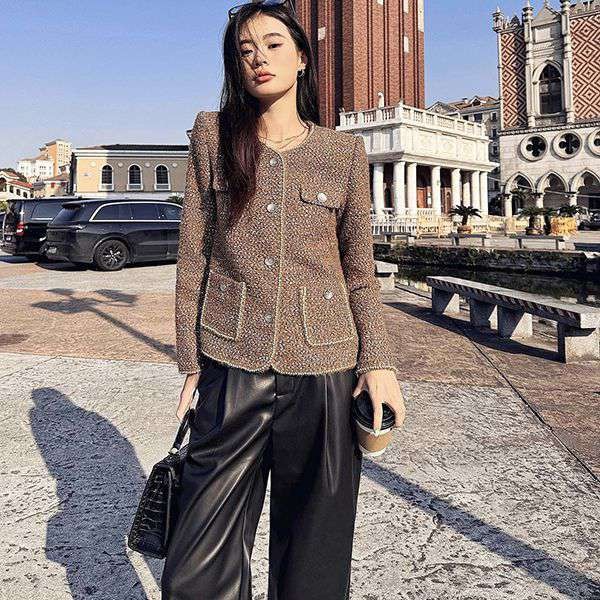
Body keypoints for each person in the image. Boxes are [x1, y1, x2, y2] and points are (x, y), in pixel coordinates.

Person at [161, 1, 406, 598]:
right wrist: (191, 364)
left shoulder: (342, 153)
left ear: (301, 58)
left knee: (315, 555)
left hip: (325, 368)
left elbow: (358, 272)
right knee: (197, 565)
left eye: (272, 45)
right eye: (244, 50)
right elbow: (194, 256)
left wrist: (377, 363)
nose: (258, 58)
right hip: (231, 363)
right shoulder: (213, 136)